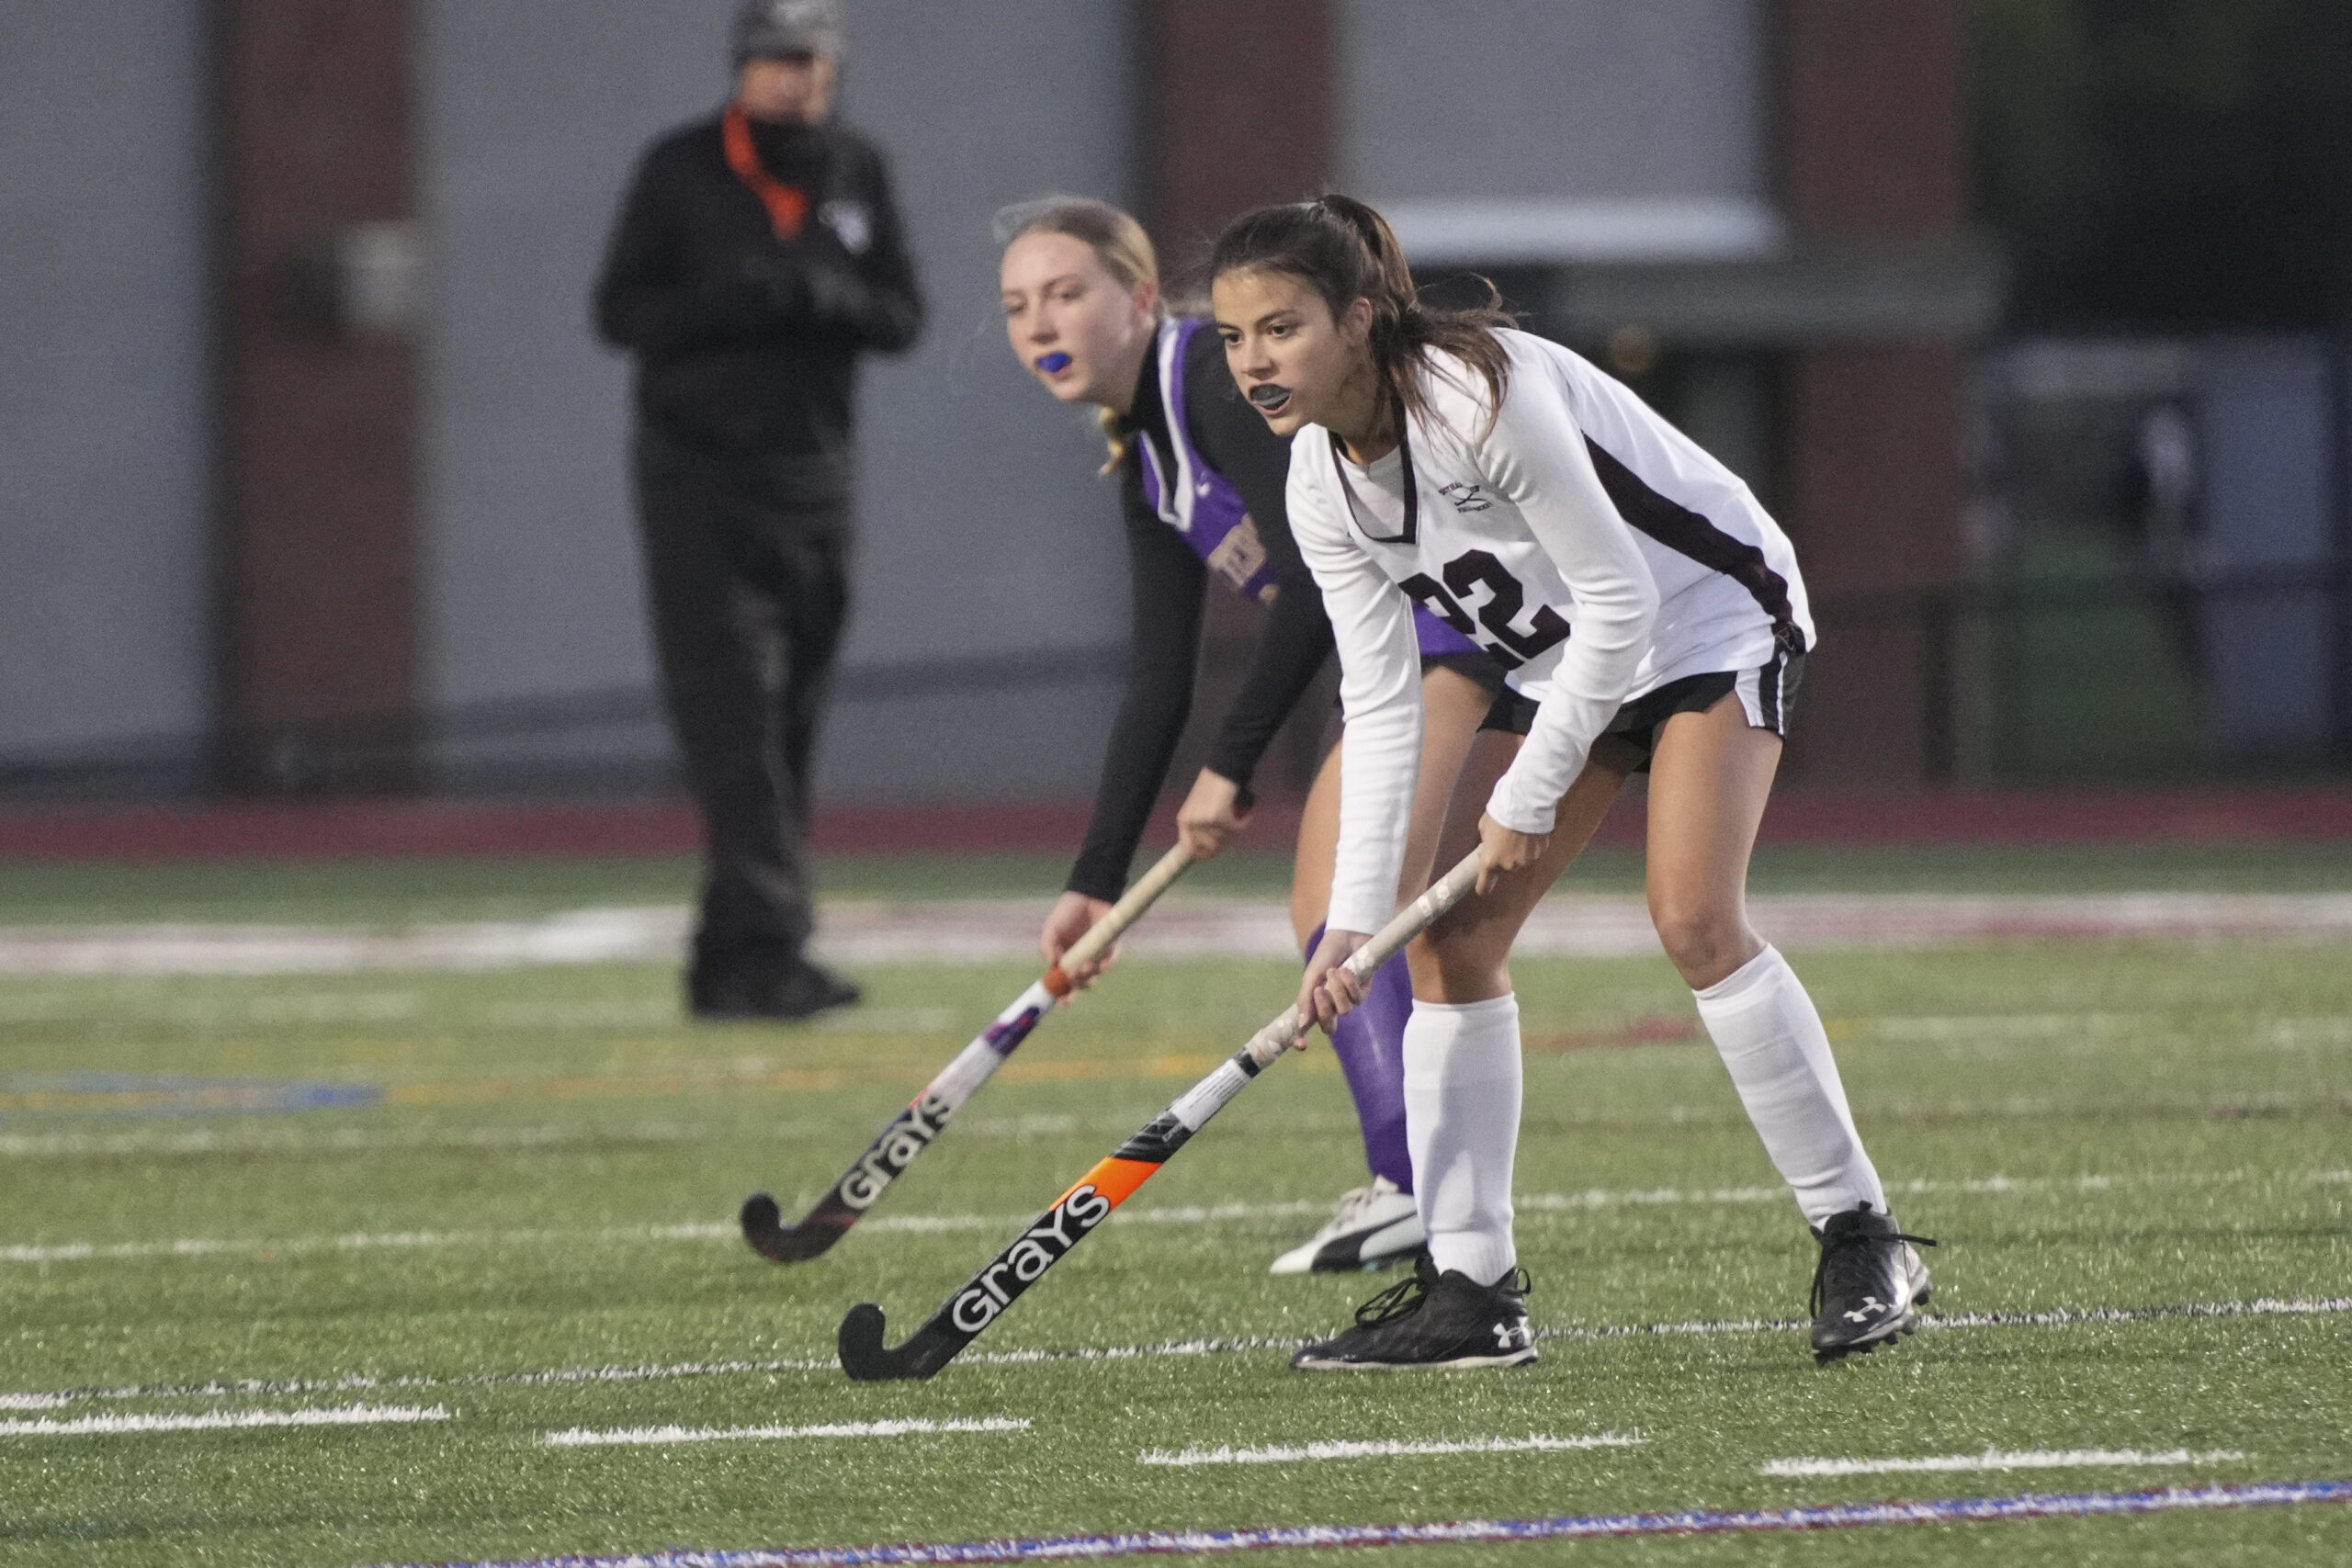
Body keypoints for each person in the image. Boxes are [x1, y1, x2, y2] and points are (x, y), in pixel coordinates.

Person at [1205, 195, 1932, 1369]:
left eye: (1279, 329)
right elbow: (1384, 703)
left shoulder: (1475, 398)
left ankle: (1863, 1236)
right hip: (1567, 660)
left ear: (1355, 318)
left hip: (1705, 619)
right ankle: (1471, 1293)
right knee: (1446, 946)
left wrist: (1519, 801)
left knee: (1694, 917)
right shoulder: (1315, 482)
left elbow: (1624, 600)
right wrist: (1349, 924)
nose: (1254, 362)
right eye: (1235, 338)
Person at [997, 197, 1530, 1273]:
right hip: (1417, 653)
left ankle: (1417, 1190)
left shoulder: (1207, 383)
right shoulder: (1144, 447)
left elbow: (1306, 597)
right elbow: (1159, 674)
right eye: (1016, 306)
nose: (1039, 325)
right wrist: (1095, 881)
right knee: (1380, 918)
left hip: (1468, 636)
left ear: (1139, 298)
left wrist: (1227, 766)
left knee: (1351, 905)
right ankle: (1422, 1190)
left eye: (1066, 293)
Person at [594, 0, 921, 1021]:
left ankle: (725, 959)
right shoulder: (679, 168)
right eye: (781, 62)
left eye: (815, 64)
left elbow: (901, 314)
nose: (799, 82)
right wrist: (730, 299)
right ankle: (774, 947)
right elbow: (618, 314)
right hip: (698, 481)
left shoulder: (857, 169)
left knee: (790, 726)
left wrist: (820, 297)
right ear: (744, 68)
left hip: (817, 482)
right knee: (732, 718)